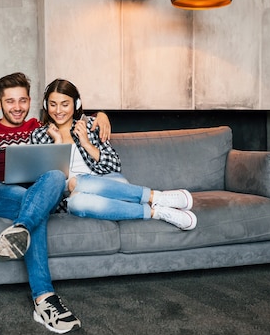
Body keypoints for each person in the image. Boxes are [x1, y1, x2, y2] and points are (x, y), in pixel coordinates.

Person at [0, 72, 112, 334]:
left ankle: (20, 229)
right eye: (10, 101)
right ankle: (44, 300)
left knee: (55, 175)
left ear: (30, 101)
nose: (17, 107)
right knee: (34, 208)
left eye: (22, 100)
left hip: (38, 192)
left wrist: (101, 115)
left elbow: (70, 115)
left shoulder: (39, 128)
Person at [31, 78, 197, 230]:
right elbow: (45, 181)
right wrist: (58, 143)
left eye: (65, 104)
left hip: (111, 184)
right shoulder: (39, 136)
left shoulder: (90, 126)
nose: (58, 110)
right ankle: (156, 211)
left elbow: (114, 165)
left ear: (76, 104)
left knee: (76, 182)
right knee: (76, 202)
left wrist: (86, 143)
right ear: (46, 105)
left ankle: (154, 196)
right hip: (73, 196)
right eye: (53, 104)